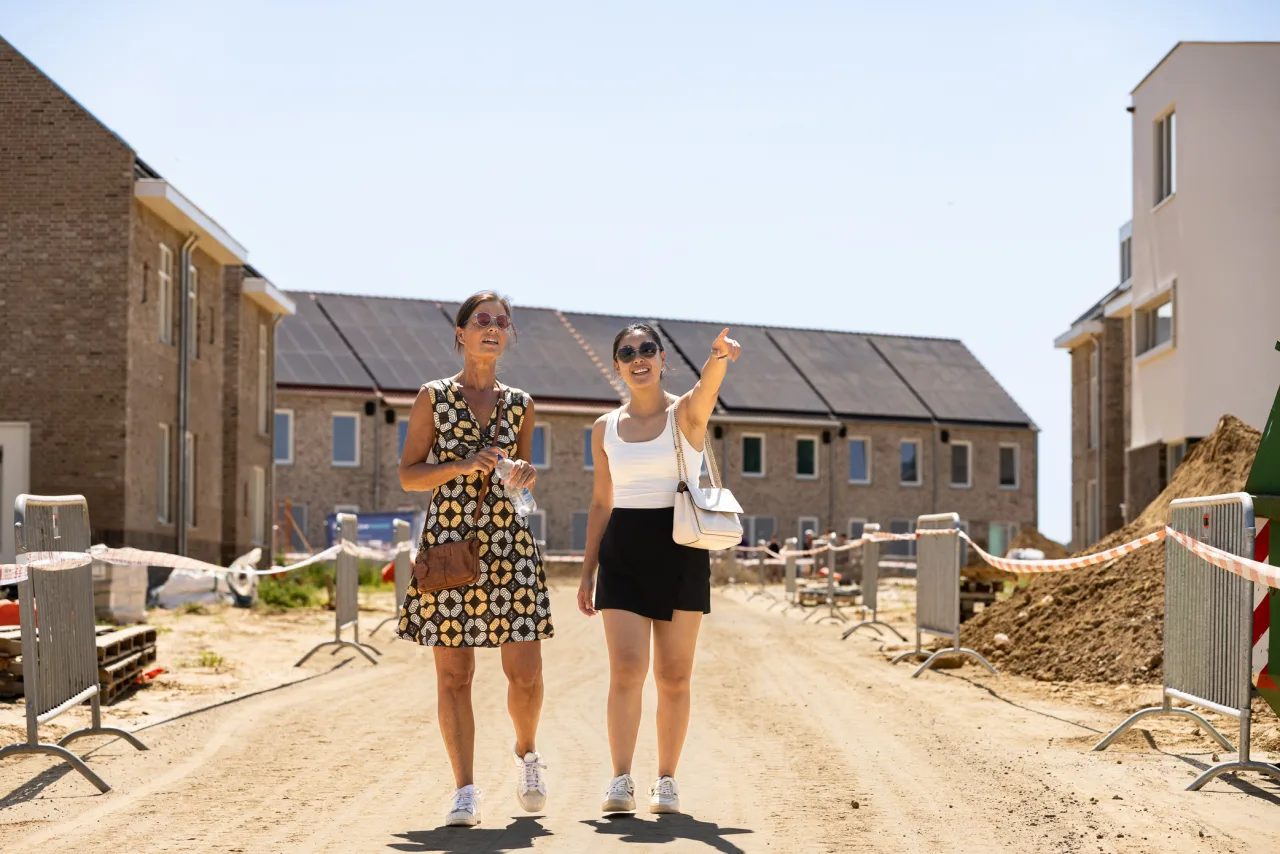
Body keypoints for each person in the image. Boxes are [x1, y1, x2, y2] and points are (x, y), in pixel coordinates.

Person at [397, 292, 553, 828]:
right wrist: (462, 465)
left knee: (526, 673)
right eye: (482, 320)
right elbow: (409, 475)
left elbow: (522, 478)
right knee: (454, 676)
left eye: (502, 321)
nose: (493, 327)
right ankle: (464, 789)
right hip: (450, 543)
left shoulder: (521, 403)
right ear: (460, 333)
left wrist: (525, 475)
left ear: (508, 335)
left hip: (511, 544)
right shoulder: (434, 397)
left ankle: (527, 755)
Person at [578, 323, 742, 816]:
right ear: (617, 366)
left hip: (680, 547)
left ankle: (666, 780)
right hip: (622, 550)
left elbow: (707, 388)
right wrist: (587, 570)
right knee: (627, 670)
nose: (639, 357)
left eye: (647, 349)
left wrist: (718, 358)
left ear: (663, 358)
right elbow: (601, 502)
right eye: (628, 352)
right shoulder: (604, 428)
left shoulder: (685, 414)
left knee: (673, 675)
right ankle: (621, 778)